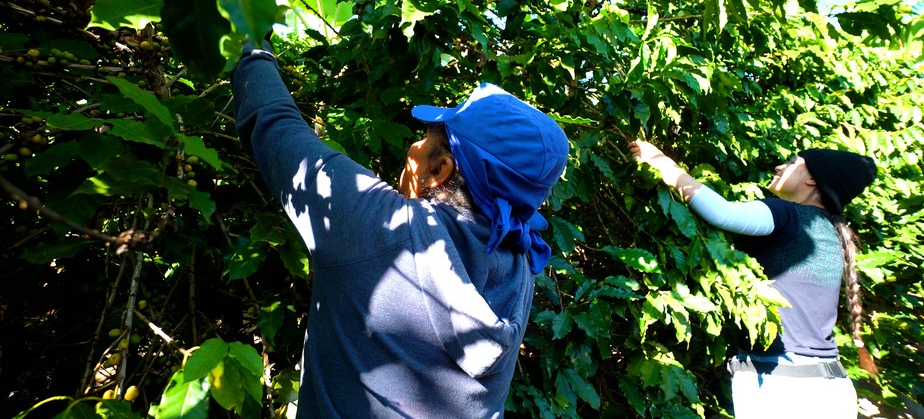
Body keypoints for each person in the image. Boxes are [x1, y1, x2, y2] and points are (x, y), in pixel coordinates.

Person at [233, 38, 569, 418]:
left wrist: (252, 37)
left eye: (426, 138)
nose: (415, 144)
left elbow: (273, 123)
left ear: (440, 170)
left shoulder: (377, 223)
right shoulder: (520, 266)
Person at [628, 140, 877, 419]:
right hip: (827, 387)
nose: (779, 166)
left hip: (785, 389)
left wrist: (662, 163)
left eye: (792, 163)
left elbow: (723, 213)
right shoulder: (830, 231)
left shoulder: (789, 215)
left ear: (812, 179)